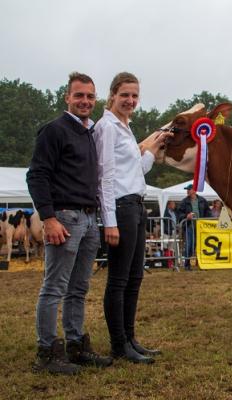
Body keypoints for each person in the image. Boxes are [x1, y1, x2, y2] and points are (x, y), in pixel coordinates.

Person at [27, 72, 112, 375]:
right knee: (54, 287)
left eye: (90, 96)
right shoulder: (54, 130)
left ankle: (75, 345)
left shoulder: (89, 132)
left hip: (89, 219)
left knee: (78, 288)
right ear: (67, 97)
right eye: (79, 95)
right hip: (64, 217)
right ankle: (47, 351)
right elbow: (36, 175)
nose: (85, 101)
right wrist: (48, 218)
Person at [94, 72, 171, 364]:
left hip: (137, 204)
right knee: (118, 279)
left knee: (135, 276)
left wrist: (152, 149)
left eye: (134, 96)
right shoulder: (108, 128)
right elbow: (105, 176)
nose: (130, 100)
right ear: (112, 94)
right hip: (121, 207)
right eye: (125, 94)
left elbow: (135, 171)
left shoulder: (125, 127)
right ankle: (118, 344)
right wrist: (109, 221)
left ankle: (129, 338)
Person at [176, 184, 212, 270]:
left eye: (189, 189)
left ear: (194, 190)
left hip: (201, 227)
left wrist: (208, 222)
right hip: (189, 226)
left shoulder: (202, 200)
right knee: (189, 245)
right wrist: (186, 216)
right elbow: (179, 214)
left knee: (201, 245)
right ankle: (187, 265)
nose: (187, 191)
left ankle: (202, 264)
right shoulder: (184, 202)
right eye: (187, 189)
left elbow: (208, 212)